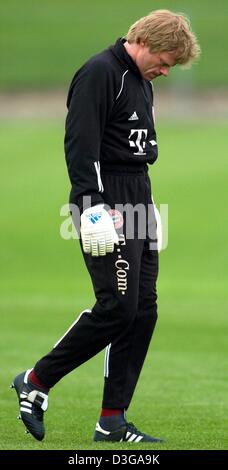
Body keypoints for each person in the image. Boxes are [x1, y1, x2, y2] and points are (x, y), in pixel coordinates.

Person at [12, 10, 200, 443]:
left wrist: (146, 209)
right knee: (117, 306)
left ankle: (111, 420)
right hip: (106, 201)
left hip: (139, 197)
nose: (167, 71)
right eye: (166, 60)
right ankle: (36, 381)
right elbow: (81, 145)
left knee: (144, 309)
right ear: (146, 41)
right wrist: (91, 208)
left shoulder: (141, 80)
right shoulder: (99, 73)